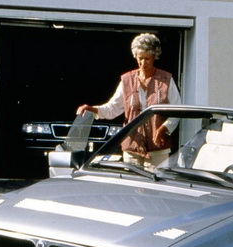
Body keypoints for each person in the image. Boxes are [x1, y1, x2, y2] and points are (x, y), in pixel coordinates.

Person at [77, 33, 182, 169]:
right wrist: (92, 108)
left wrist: (163, 128)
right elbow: (112, 109)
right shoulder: (127, 80)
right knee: (133, 187)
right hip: (132, 148)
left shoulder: (166, 80)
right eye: (140, 58)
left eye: (147, 59)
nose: (143, 63)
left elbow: (177, 109)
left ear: (154, 57)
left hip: (158, 149)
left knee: (156, 187)